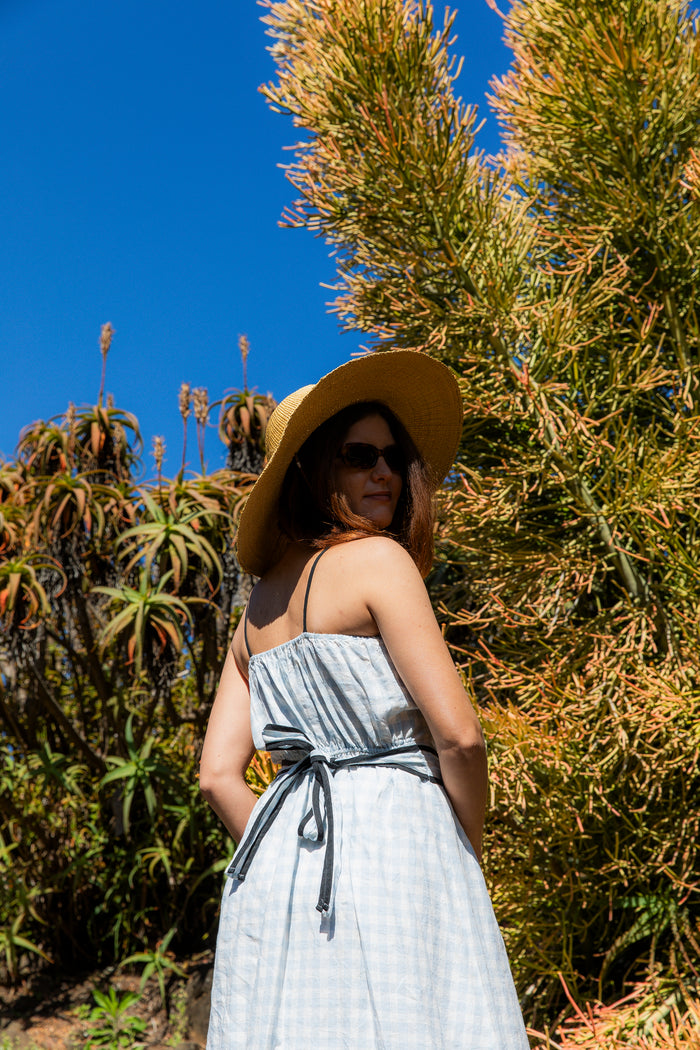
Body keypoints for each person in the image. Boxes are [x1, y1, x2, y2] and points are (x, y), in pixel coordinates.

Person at [200, 350, 529, 1049]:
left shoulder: (255, 613)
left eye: (392, 455)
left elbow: (217, 775)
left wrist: (285, 852)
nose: (384, 471)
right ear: (314, 469)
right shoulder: (381, 562)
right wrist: (460, 850)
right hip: (401, 836)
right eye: (359, 455)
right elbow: (460, 739)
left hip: (286, 857)